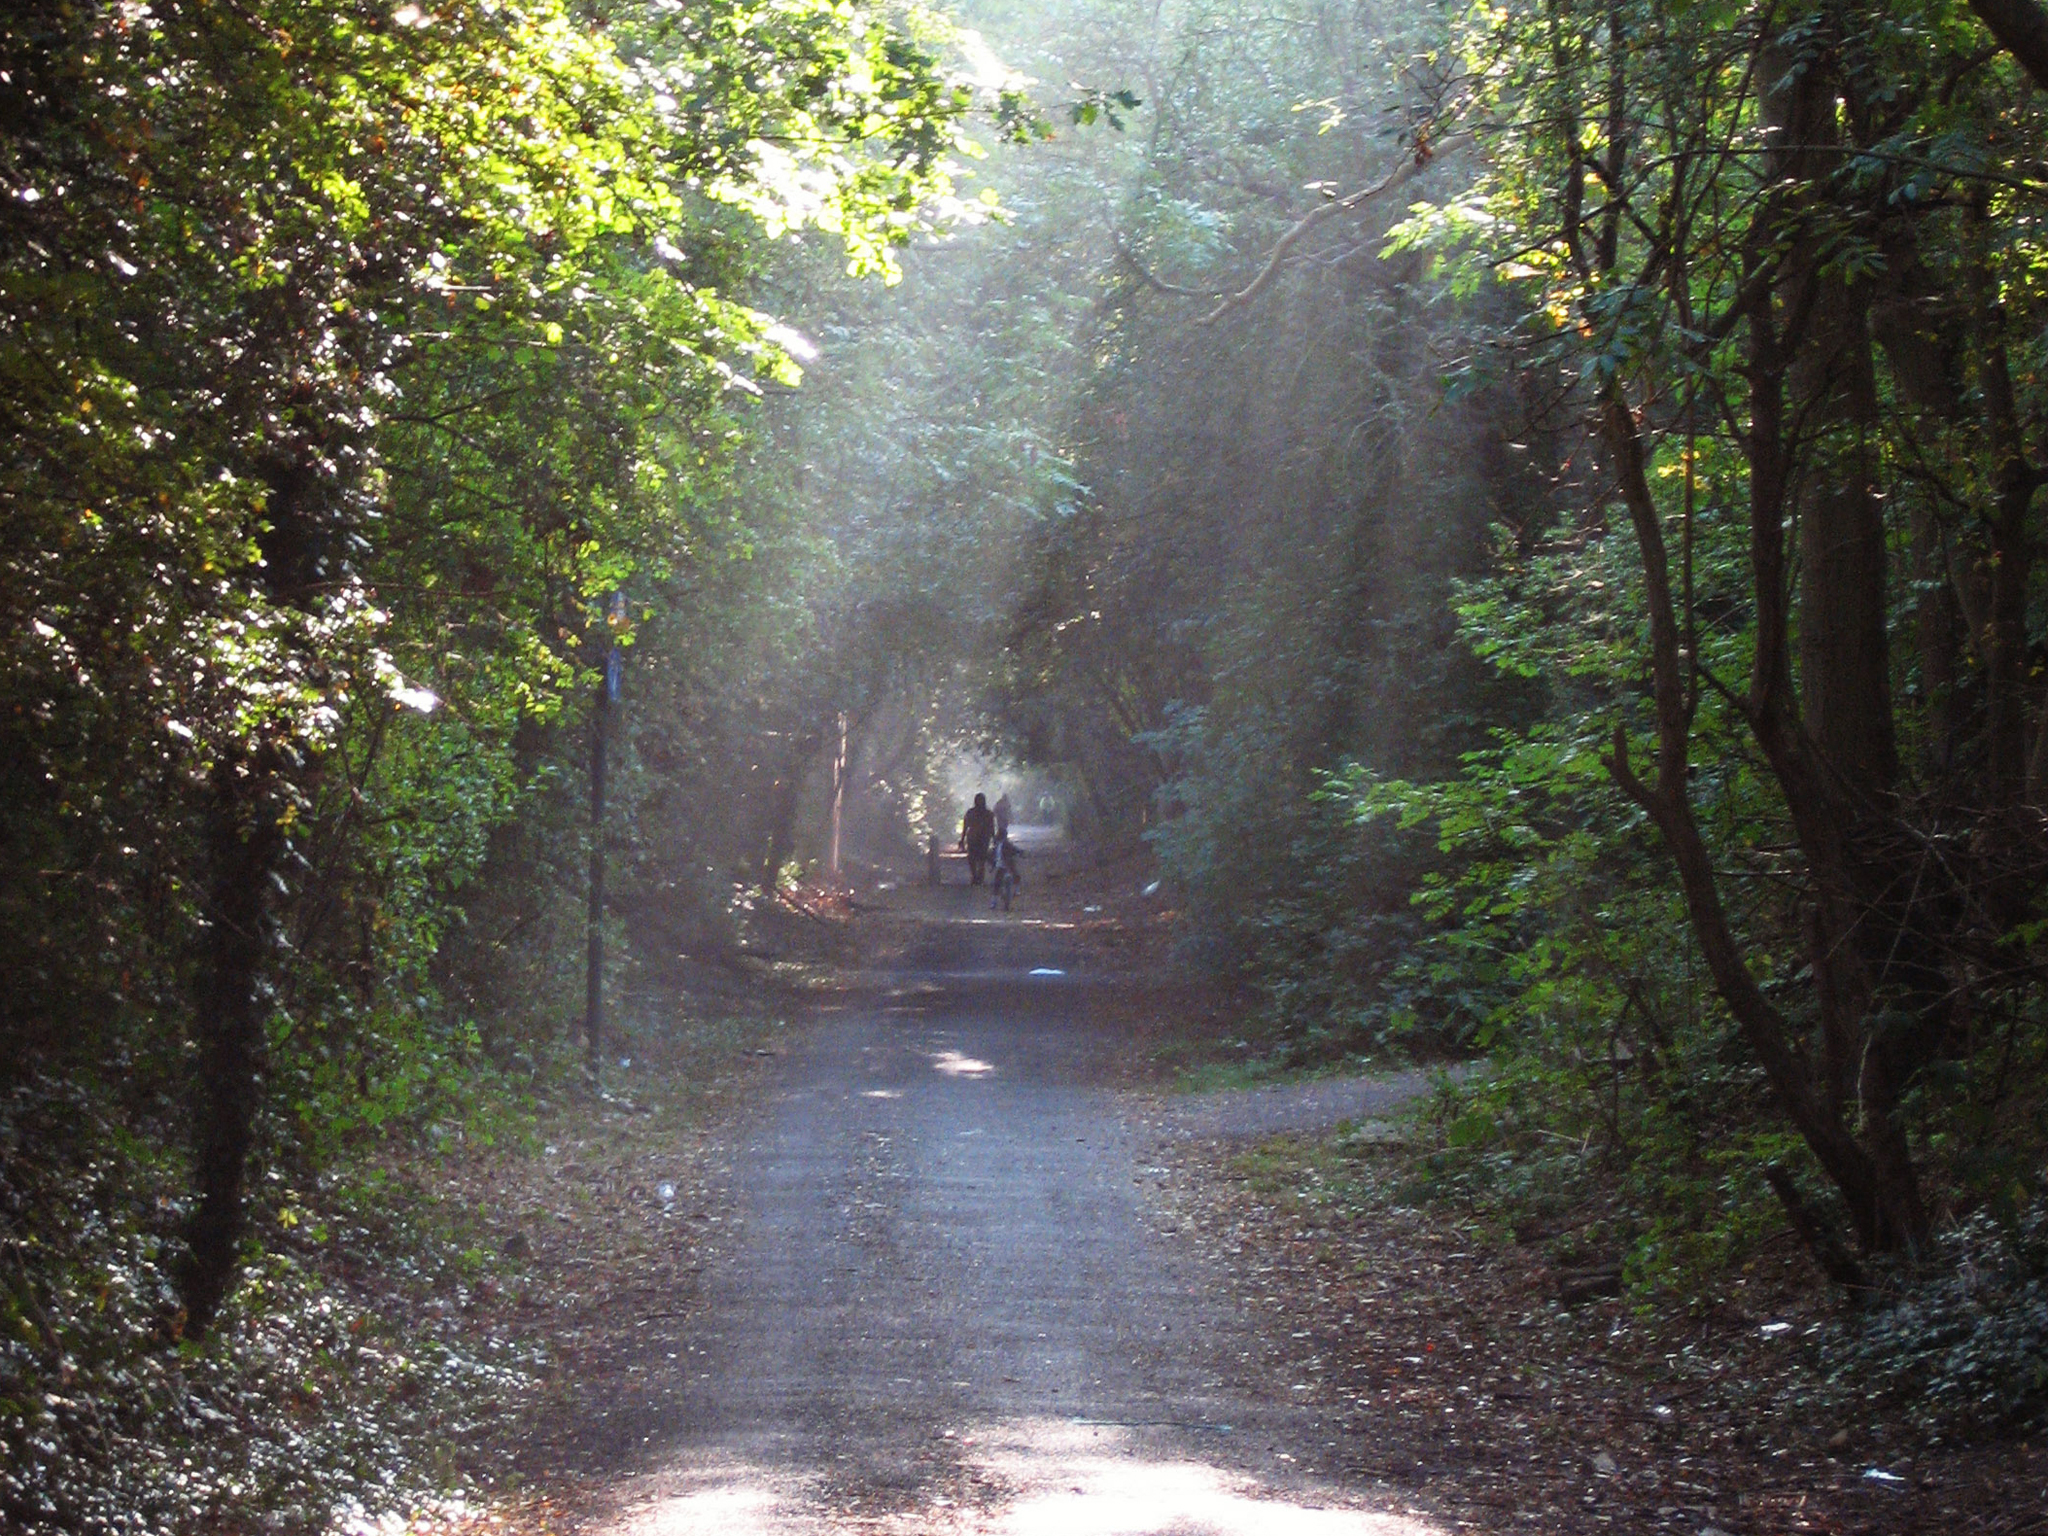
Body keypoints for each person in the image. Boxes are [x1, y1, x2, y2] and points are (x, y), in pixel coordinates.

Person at [958, 792, 995, 885]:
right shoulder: (988, 814)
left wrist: (962, 839)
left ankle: (976, 876)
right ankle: (978, 876)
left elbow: (965, 827)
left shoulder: (971, 812)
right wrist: (993, 838)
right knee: (979, 858)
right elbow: (991, 828)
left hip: (974, 838)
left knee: (975, 858)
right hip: (981, 839)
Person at [989, 830, 1023, 910]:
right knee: (1016, 875)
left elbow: (991, 856)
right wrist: (1021, 853)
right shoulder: (1007, 844)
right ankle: (1017, 890)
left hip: (1000, 866)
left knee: (996, 884)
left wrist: (992, 865)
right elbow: (1016, 850)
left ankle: (994, 902)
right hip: (1008, 865)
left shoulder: (996, 846)